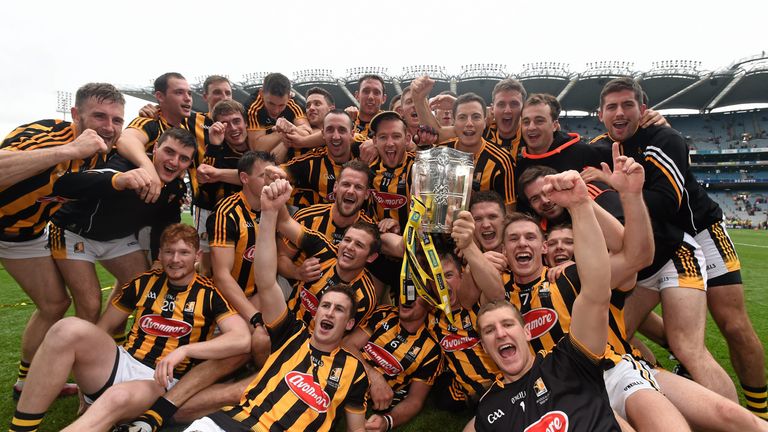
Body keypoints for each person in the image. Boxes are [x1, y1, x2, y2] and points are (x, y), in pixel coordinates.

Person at [9, 224, 251, 432]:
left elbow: (241, 339)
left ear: (197, 255)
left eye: (183, 253)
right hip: (121, 361)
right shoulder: (142, 283)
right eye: (169, 252)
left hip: (159, 381)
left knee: (116, 397)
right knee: (67, 328)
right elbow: (101, 330)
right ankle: (20, 428)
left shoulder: (210, 294)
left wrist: (186, 351)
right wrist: (84, 382)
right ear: (160, 253)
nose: (175, 260)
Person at [182, 178, 370, 432]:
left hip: (300, 365)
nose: (328, 312)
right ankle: (155, 415)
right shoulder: (295, 329)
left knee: (239, 387)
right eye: (325, 305)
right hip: (236, 414)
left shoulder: (353, 367)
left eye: (338, 309)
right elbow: (267, 280)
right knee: (256, 345)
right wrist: (269, 213)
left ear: (349, 322)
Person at [593, 77, 739, 403]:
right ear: (600, 114)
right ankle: (658, 388)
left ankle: (744, 423)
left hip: (676, 252)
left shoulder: (664, 137)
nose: (620, 112)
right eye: (612, 107)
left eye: (627, 105)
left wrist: (619, 187)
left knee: (689, 347)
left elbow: (666, 201)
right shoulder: (597, 150)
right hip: (639, 265)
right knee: (611, 341)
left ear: (643, 109)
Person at [0, 82, 125, 399]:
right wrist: (69, 150)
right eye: (99, 116)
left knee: (55, 303)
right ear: (75, 115)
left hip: (21, 233)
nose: (108, 127)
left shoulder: (102, 153)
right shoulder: (48, 133)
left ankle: (25, 383)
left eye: (117, 119)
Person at [469, 170, 620, 431]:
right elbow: (487, 296)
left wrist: (581, 205)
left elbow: (597, 291)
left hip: (612, 367)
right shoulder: (488, 410)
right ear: (482, 346)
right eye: (490, 331)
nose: (501, 334)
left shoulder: (568, 361)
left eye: (507, 324)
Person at [49, 128, 195, 328]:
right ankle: (81, 354)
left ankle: (109, 339)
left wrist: (158, 260)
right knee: (90, 304)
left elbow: (165, 226)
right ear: (156, 148)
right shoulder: (125, 164)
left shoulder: (175, 187)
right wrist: (117, 181)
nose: (174, 162)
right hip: (74, 232)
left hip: (118, 238)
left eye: (184, 158)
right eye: (169, 152)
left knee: (140, 288)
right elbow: (67, 185)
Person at [342, 298, 443, 431]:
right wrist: (374, 376)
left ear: (430, 305)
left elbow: (415, 400)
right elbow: (347, 344)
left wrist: (387, 421)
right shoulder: (384, 314)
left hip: (369, 399)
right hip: (345, 376)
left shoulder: (432, 351)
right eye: (405, 291)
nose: (407, 298)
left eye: (414, 294)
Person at [277, 160, 375, 283]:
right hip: (300, 292)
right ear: (335, 187)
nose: (350, 191)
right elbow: (281, 257)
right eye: (346, 184)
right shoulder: (307, 217)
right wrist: (297, 272)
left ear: (366, 194)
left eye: (358, 187)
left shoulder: (370, 231)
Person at [282, 109, 356, 208]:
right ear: (323, 134)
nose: (336, 136)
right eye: (330, 130)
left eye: (342, 130)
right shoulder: (311, 162)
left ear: (352, 134)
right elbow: (278, 172)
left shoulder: (365, 150)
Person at [245, 72, 311, 161]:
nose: (275, 110)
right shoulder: (253, 106)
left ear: (289, 97)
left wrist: (290, 128)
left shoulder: (293, 103)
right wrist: (283, 131)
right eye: (271, 103)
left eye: (281, 105)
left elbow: (307, 133)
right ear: (261, 93)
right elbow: (257, 149)